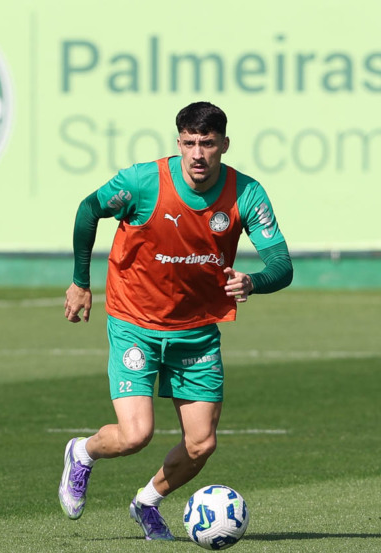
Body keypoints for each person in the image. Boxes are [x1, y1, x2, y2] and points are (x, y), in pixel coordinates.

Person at [58, 101, 293, 540]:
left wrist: (254, 282)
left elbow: (282, 263)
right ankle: (82, 452)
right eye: (189, 143)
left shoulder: (246, 194)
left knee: (202, 443)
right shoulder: (143, 183)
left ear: (224, 144)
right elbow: (89, 209)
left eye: (207, 143)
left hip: (197, 332)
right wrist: (80, 283)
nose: (198, 153)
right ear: (179, 142)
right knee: (135, 435)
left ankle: (146, 502)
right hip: (134, 322)